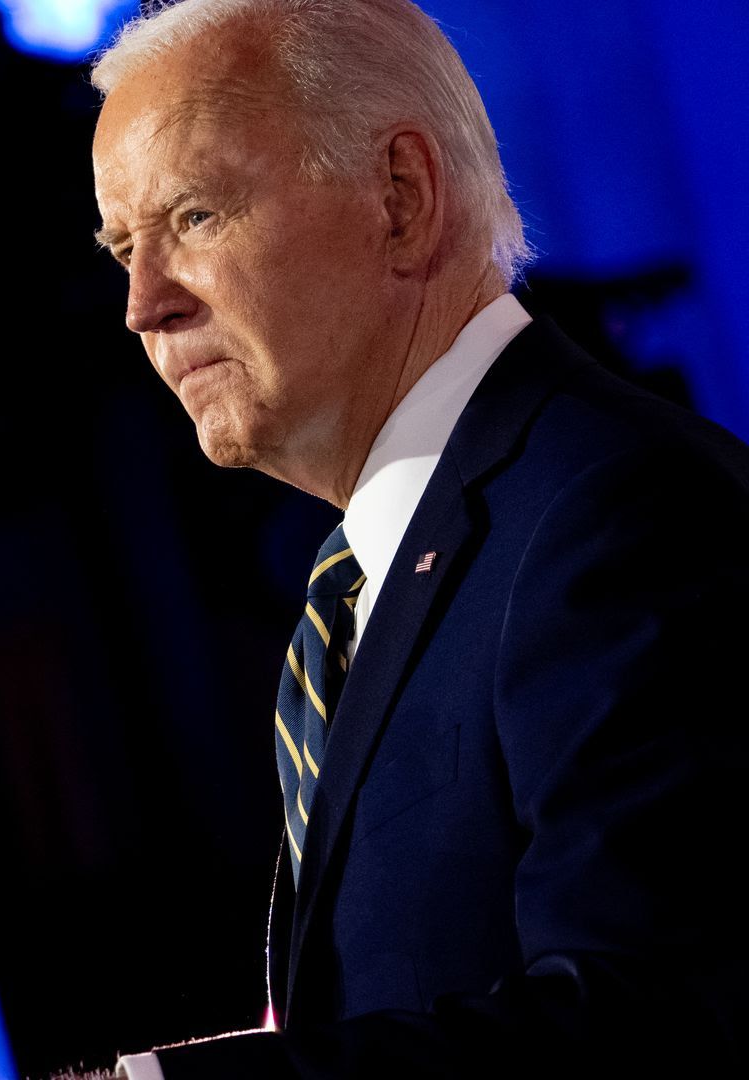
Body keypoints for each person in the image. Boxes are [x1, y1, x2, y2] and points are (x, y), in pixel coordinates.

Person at [86, 0, 749, 1076]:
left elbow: (656, 1023)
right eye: (124, 247)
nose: (143, 304)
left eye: (195, 217)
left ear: (399, 198)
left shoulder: (619, 516)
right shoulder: (368, 583)